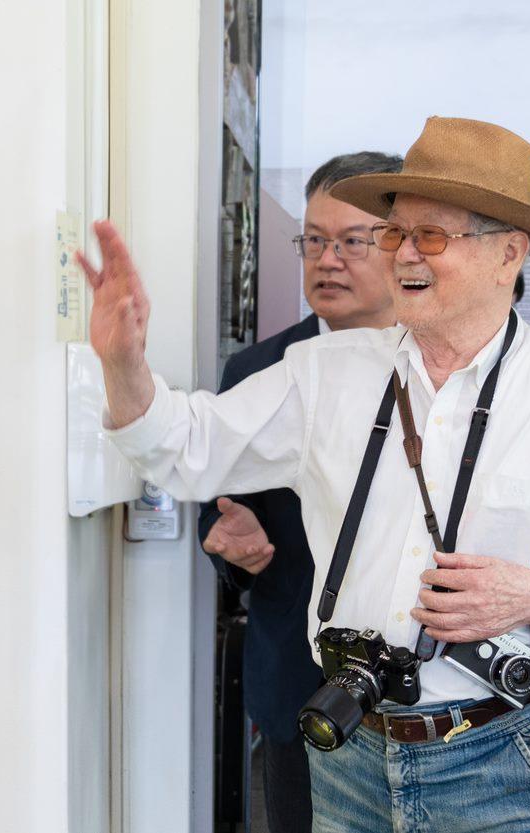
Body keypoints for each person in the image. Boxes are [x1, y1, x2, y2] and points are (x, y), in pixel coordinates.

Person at [79, 117, 530, 832]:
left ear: (508, 255)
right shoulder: (327, 371)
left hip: (508, 759)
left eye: (432, 235)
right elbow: (183, 446)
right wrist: (123, 365)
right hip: (349, 754)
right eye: (395, 232)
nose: (402, 254)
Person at [197, 151, 400, 833]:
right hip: (297, 679)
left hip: (431, 695)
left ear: (400, 245)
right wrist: (232, 543)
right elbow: (222, 506)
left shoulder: (438, 369)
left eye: (351, 240)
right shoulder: (259, 368)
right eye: (315, 239)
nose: (328, 258)